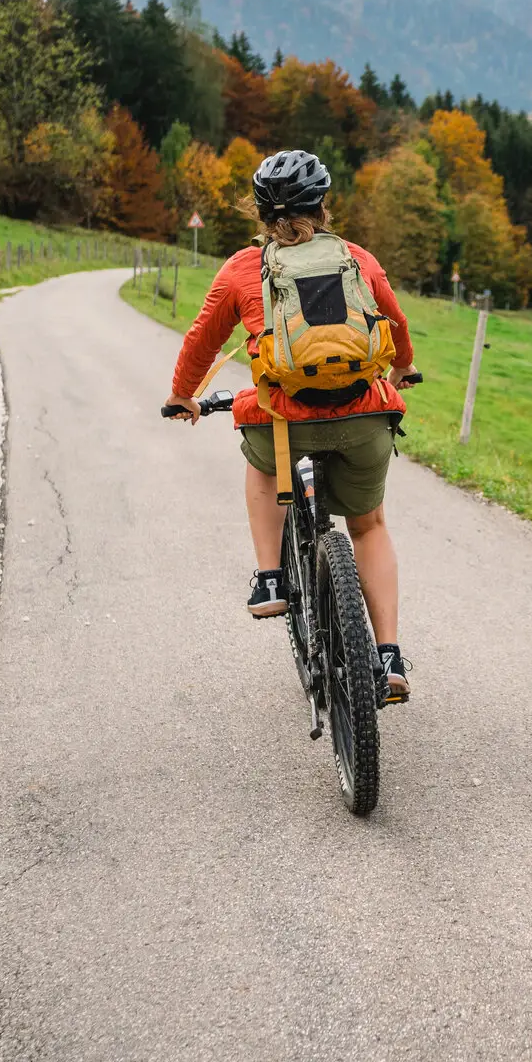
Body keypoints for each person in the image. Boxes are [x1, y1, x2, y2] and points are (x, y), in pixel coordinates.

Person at [164, 149, 422, 700]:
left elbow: (201, 339)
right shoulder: (357, 258)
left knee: (260, 467)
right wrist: (402, 368)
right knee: (369, 525)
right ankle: (389, 653)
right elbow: (395, 321)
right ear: (323, 206)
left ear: (260, 214)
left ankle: (270, 577)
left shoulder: (242, 269)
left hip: (281, 419)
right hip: (362, 416)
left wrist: (183, 395)